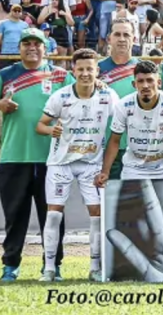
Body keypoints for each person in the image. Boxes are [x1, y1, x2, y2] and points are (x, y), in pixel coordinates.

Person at [35, 48, 122, 282]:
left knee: (96, 214)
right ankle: (49, 268)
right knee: (53, 214)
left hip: (91, 163)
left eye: (89, 69)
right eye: (81, 69)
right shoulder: (60, 96)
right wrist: (49, 130)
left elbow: (122, 120)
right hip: (60, 163)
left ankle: (95, 268)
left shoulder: (108, 96)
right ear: (73, 71)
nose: (85, 73)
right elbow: (40, 125)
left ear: (97, 71)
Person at [0, 28, 73, 282]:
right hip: (13, 156)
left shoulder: (62, 76)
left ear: (47, 48)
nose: (32, 47)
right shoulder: (5, 75)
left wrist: (96, 82)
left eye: (37, 43)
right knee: (14, 216)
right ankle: (11, 266)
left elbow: (84, 98)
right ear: (18, 48)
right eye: (26, 43)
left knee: (52, 216)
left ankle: (53, 265)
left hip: (52, 159)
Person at [96, 60, 163, 183]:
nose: (145, 85)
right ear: (134, 84)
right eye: (141, 81)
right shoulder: (123, 106)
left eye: (150, 80)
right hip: (133, 168)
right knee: (133, 203)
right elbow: (114, 141)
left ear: (159, 83)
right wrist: (105, 172)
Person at [97, 18, 140, 179]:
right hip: (104, 146)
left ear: (134, 39)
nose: (122, 39)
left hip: (138, 147)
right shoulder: (95, 70)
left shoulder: (144, 70)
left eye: (126, 35)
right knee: (107, 200)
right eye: (117, 34)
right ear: (109, 38)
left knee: (138, 202)